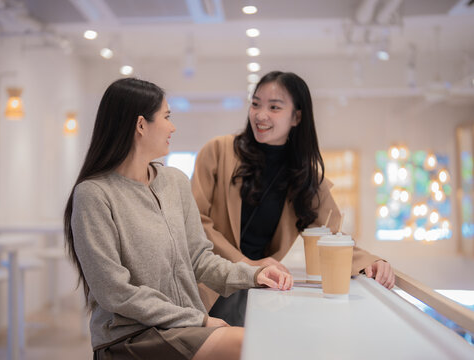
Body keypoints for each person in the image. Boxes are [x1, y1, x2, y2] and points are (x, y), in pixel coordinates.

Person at [63, 77, 293, 360]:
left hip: (182, 326)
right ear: (140, 125)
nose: (173, 127)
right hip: (131, 335)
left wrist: (255, 274)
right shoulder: (94, 195)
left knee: (259, 340)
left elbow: (200, 259)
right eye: (167, 117)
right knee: (249, 344)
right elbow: (115, 292)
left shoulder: (174, 182)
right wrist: (199, 319)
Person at [192, 71, 395, 326]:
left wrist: (372, 263)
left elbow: (329, 236)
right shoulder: (218, 151)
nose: (260, 114)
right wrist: (247, 264)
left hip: (253, 291)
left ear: (297, 116)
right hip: (204, 284)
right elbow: (195, 223)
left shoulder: (305, 177)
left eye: (274, 107)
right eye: (255, 104)